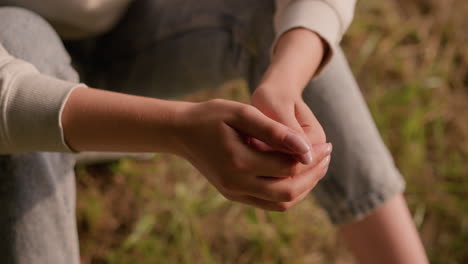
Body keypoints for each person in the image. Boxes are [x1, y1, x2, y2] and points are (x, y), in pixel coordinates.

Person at [0, 0, 429, 263]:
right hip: (20, 101)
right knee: (21, 34)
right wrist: (175, 130)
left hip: (121, 37)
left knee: (278, 17)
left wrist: (286, 76)